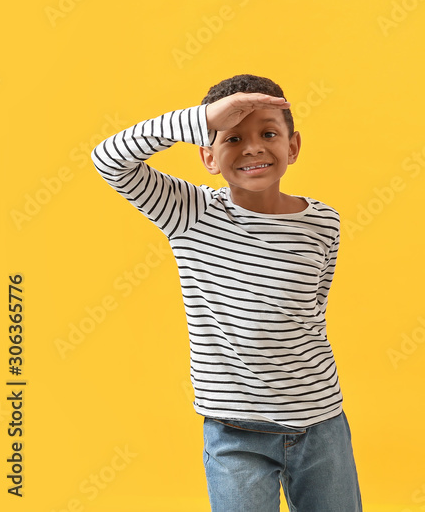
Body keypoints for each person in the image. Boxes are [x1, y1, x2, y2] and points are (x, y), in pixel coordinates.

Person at [93, 75, 361, 512]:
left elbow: (312, 311)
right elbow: (109, 159)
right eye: (232, 137)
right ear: (208, 155)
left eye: (268, 134)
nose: (253, 147)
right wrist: (202, 119)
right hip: (235, 431)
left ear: (292, 147)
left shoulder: (323, 223)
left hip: (320, 422)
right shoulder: (189, 213)